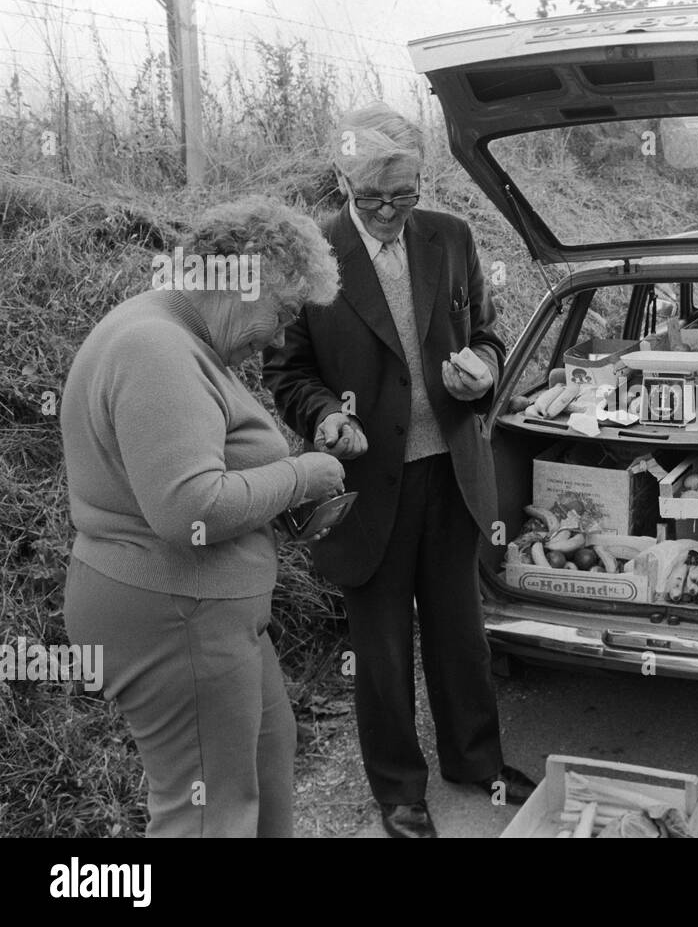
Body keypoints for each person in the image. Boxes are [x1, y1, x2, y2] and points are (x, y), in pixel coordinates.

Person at [262, 103, 536, 838]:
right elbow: (287, 370)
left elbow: (487, 328)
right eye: (372, 197)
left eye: (403, 194)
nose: (388, 211)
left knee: (460, 631)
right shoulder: (312, 256)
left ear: (422, 180)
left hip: (449, 467)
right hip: (366, 478)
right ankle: (399, 791)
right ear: (345, 181)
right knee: (380, 649)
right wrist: (322, 416)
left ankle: (475, 761)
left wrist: (483, 363)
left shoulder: (450, 236)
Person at [60, 196, 345, 836]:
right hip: (171, 612)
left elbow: (197, 479)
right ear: (244, 280)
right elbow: (187, 508)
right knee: (207, 812)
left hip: (205, 610)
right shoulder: (157, 349)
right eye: (285, 313)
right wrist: (301, 476)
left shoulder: (183, 336)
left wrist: (275, 509)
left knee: (267, 762)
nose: (280, 336)